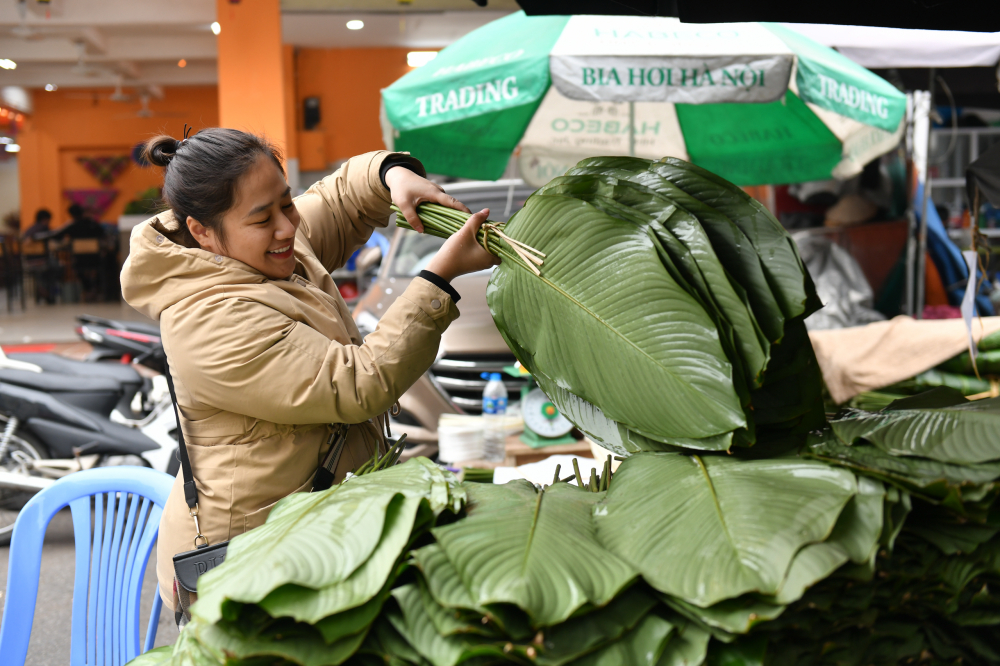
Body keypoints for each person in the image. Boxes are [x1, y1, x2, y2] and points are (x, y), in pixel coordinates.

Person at [120, 128, 498, 619]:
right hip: (253, 564)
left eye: (286, 203)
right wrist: (438, 277)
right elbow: (360, 384)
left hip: (318, 537)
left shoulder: (264, 246)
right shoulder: (206, 321)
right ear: (201, 232)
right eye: (263, 217)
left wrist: (393, 175)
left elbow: (341, 198)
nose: (285, 228)